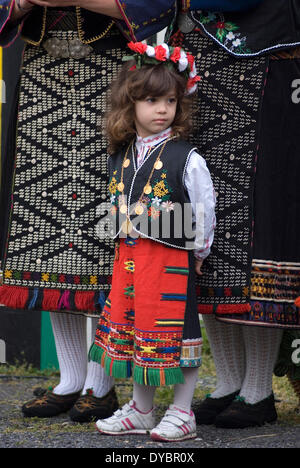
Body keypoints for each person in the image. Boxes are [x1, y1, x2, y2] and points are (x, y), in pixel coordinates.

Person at [0, 0, 176, 422]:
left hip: (108, 79)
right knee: (50, 234)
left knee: (101, 232)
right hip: (43, 75)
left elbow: (157, 6)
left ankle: (101, 385)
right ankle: (70, 378)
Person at [168, 0, 300, 428]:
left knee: (259, 229)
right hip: (202, 72)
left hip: (262, 66)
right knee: (210, 233)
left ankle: (258, 391)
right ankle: (227, 383)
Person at [88, 41, 216, 442]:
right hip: (129, 261)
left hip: (172, 263)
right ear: (130, 104)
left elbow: (204, 206)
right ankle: (142, 410)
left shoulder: (186, 157)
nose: (162, 109)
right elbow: (115, 205)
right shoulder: (121, 153)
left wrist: (199, 251)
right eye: (151, 100)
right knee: (136, 330)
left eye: (170, 100)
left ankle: (182, 412)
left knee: (177, 334)